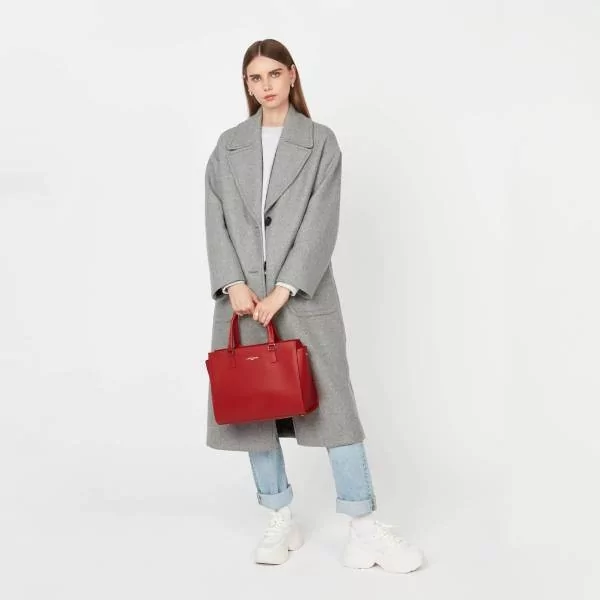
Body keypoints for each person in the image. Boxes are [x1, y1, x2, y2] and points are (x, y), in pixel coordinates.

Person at [204, 38, 424, 574]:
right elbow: (216, 218)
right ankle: (279, 516)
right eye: (255, 78)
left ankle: (363, 527)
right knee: (252, 408)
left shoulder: (320, 142)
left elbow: (322, 221)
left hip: (303, 297)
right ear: (246, 84)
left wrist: (284, 289)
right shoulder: (228, 146)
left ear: (292, 75)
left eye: (274, 74)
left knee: (335, 410)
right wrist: (232, 283)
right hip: (243, 302)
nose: (266, 85)